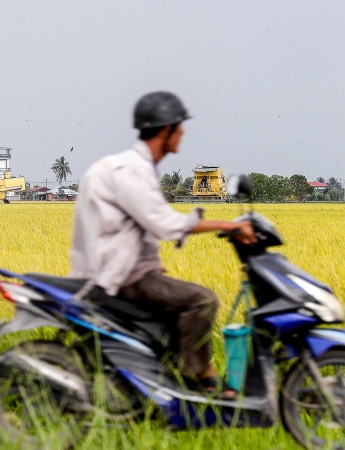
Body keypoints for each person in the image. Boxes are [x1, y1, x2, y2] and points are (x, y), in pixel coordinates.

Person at [69, 91, 256, 398]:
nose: (183, 133)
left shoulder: (128, 167)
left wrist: (149, 264)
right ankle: (200, 375)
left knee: (171, 300)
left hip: (118, 268)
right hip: (118, 276)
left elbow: (130, 226)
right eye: (179, 126)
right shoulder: (133, 170)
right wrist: (230, 225)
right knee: (202, 300)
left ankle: (166, 376)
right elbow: (164, 224)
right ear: (166, 129)